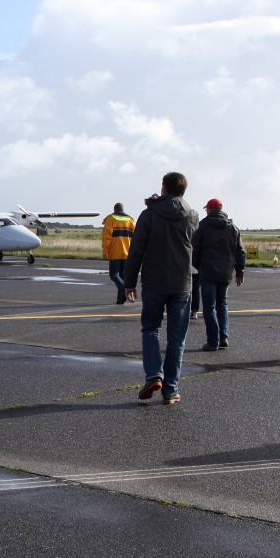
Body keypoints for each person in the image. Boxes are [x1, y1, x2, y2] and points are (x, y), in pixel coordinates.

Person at [124, 172, 199, 405]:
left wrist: (129, 281)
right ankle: (171, 390)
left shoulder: (149, 214)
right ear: (184, 190)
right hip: (182, 282)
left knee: (150, 330)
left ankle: (154, 374)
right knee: (177, 338)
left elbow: (136, 249)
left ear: (164, 189)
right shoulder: (193, 215)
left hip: (154, 281)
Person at [191, 198, 245, 351]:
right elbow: (241, 251)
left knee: (209, 307)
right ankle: (224, 338)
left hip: (207, 271)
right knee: (222, 304)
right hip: (226, 272)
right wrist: (239, 271)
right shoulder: (233, 227)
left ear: (209, 209)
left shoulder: (203, 226)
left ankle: (213, 341)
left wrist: (198, 265)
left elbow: (194, 248)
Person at [101, 203, 137, 304]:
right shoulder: (130, 220)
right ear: (123, 209)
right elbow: (135, 237)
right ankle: (120, 299)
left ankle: (124, 289)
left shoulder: (111, 219)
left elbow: (106, 237)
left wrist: (105, 251)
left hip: (115, 251)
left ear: (115, 209)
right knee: (122, 275)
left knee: (114, 275)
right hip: (127, 252)